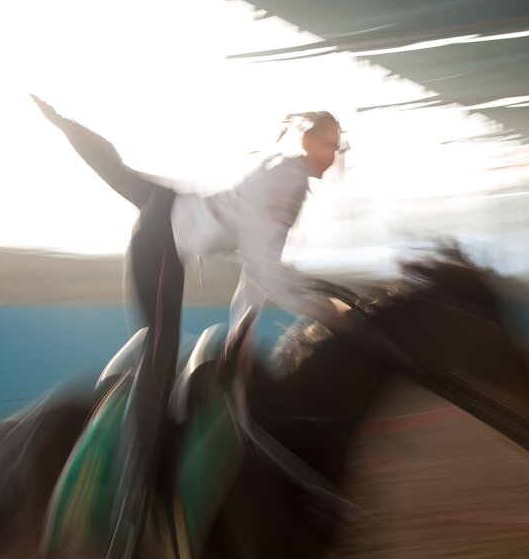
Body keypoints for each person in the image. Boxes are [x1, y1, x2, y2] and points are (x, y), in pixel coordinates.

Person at [31, 95, 346, 554]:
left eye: (338, 147)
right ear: (308, 141)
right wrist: (323, 311)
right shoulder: (287, 181)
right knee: (160, 353)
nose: (333, 155)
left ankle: (63, 122)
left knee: (120, 173)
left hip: (170, 220)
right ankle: (136, 493)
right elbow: (263, 266)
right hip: (162, 238)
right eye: (328, 144)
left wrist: (242, 329)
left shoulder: (289, 178)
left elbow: (260, 263)